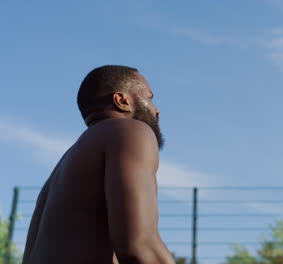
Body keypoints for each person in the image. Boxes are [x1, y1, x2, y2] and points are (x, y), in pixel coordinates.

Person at [22, 65, 175, 264]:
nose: (157, 110)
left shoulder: (65, 168)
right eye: (149, 97)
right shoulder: (130, 131)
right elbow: (140, 246)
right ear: (122, 101)